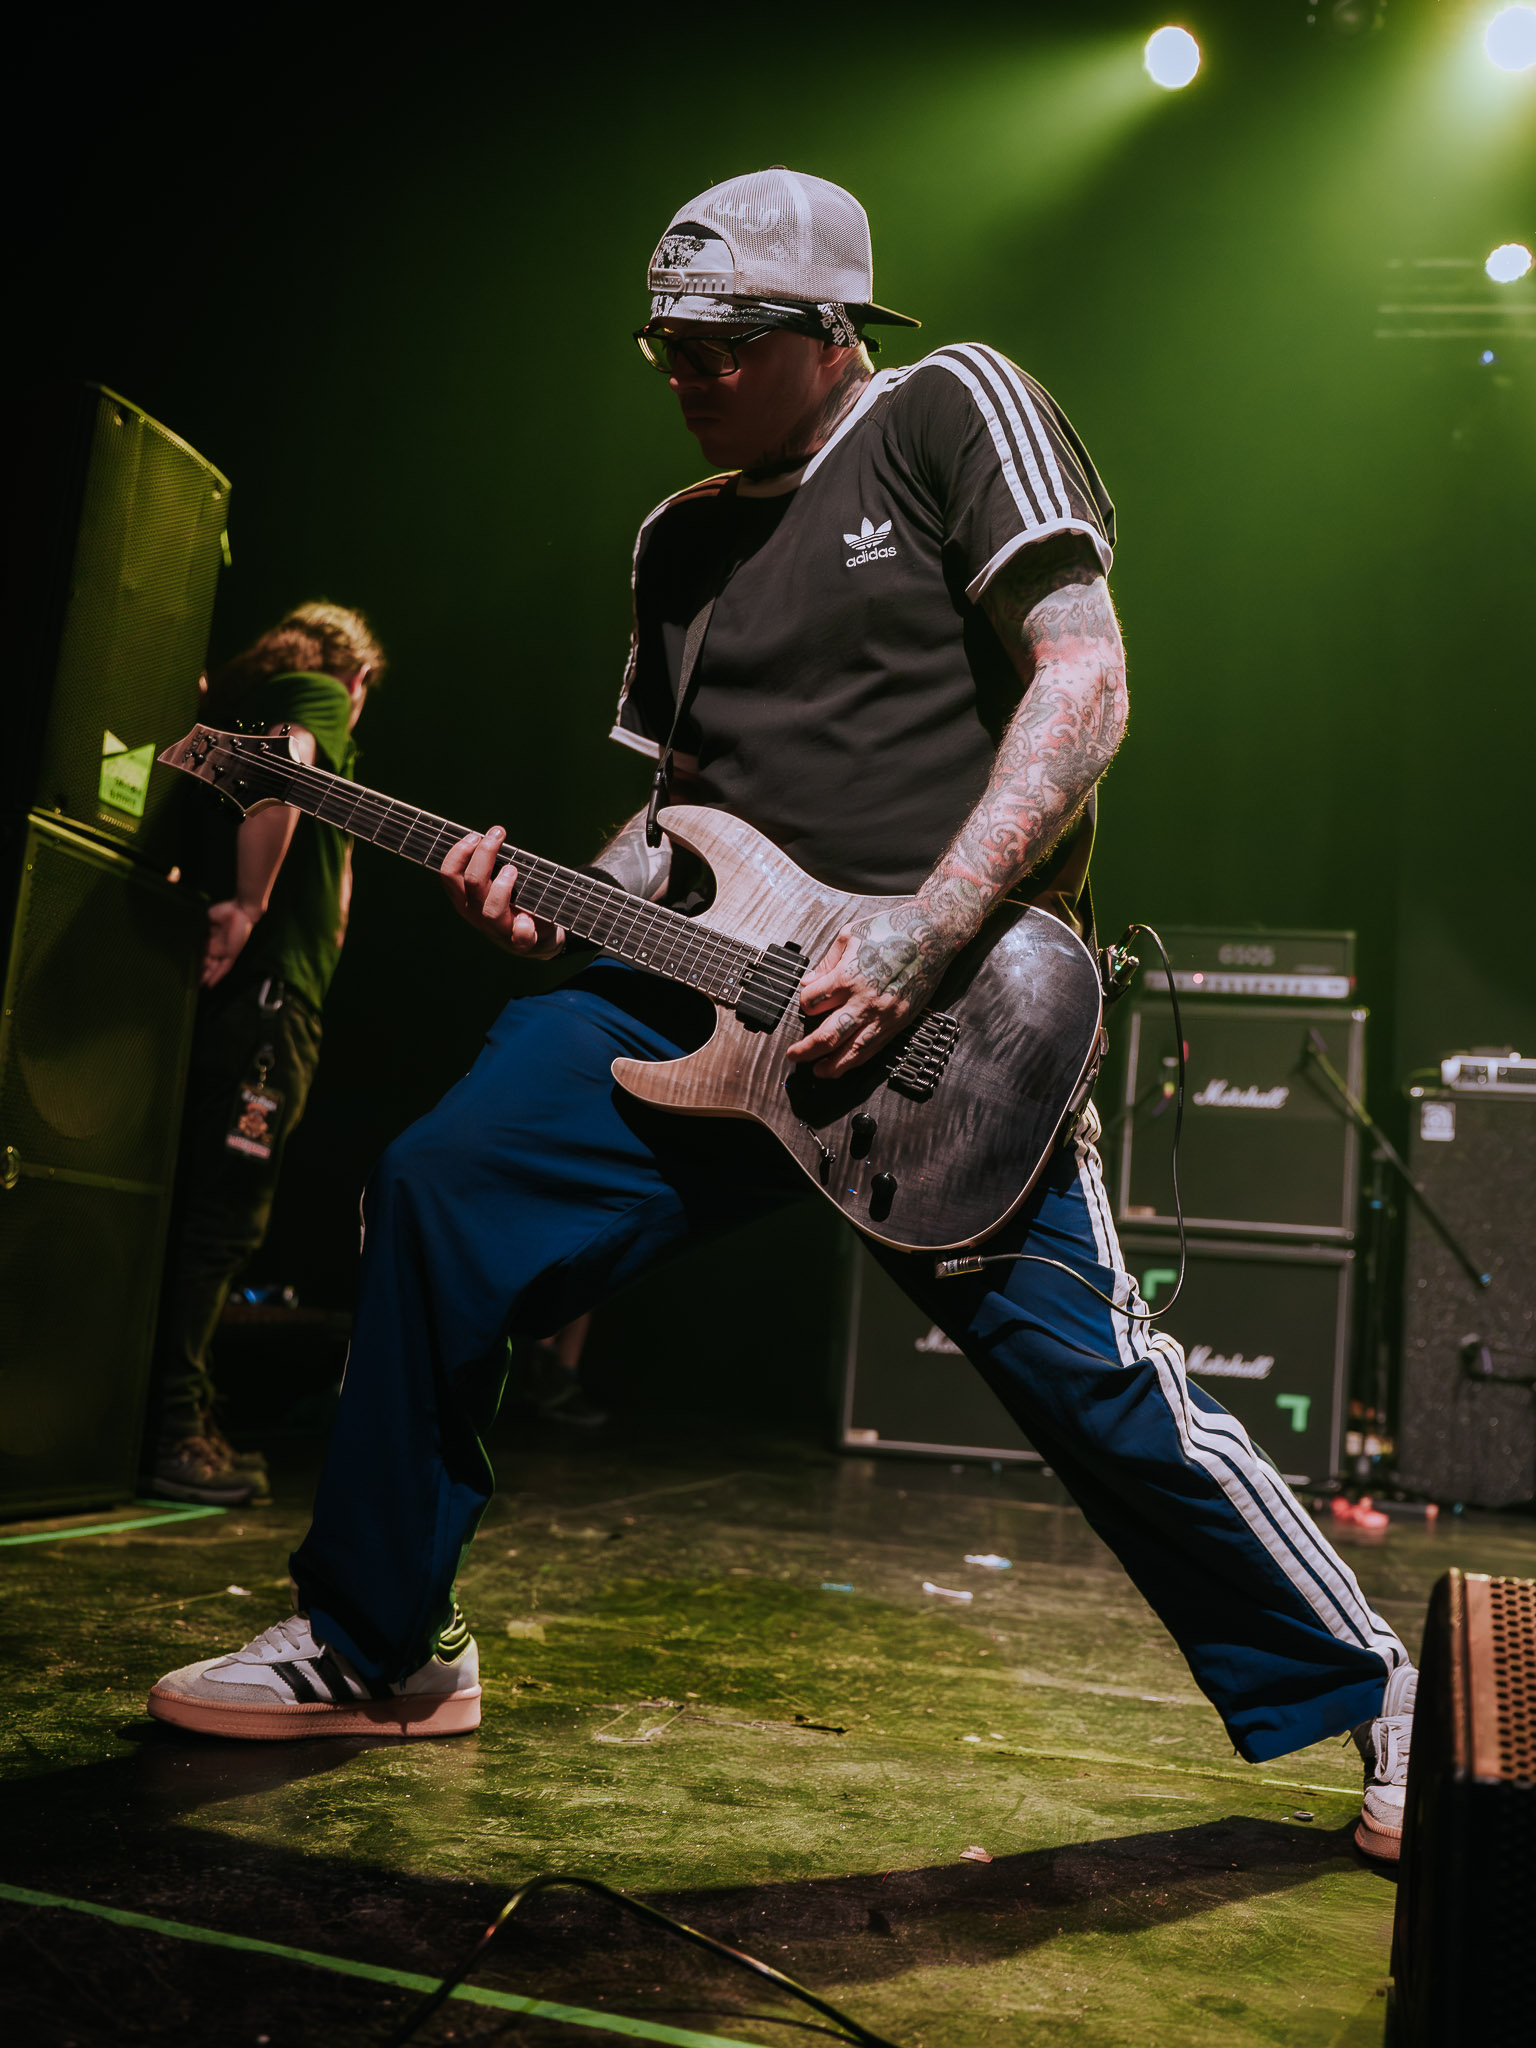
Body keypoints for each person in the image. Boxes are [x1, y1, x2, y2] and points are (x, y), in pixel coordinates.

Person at [147, 172, 1413, 1865]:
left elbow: (1086, 677)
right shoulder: (677, 540)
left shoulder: (951, 405)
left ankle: (1382, 1690)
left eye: (726, 343)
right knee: (441, 1180)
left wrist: (922, 934)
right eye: (667, 344)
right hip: (700, 998)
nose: (688, 373)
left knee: (1097, 1381)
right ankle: (380, 1642)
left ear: (830, 329)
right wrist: (547, 895)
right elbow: (671, 820)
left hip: (949, 1024)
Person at [145, 602, 384, 1507]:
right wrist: (249, 905)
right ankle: (170, 1428)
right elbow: (286, 761)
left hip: (253, 998)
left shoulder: (251, 697)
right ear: (356, 676)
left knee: (202, 1202)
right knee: (226, 1213)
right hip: (271, 999)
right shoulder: (317, 692)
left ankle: (174, 1414)